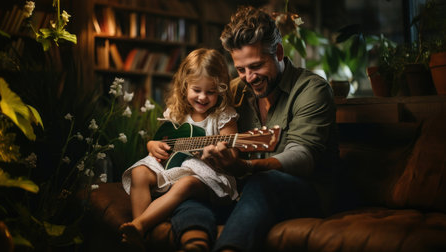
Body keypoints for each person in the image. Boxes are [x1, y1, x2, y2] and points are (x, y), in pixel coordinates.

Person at [170, 6, 339, 252]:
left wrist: (246, 167)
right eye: (240, 69)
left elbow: (303, 157)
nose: (248, 77)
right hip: (246, 196)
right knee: (187, 186)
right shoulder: (235, 90)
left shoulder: (312, 89)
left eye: (256, 66)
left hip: (304, 192)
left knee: (262, 181)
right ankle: (194, 244)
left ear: (279, 52)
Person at [119, 48, 239, 249]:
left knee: (185, 184)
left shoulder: (223, 116)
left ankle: (140, 225)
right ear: (185, 86)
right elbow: (162, 139)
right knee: (139, 173)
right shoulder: (177, 112)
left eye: (211, 92)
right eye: (196, 90)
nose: (202, 97)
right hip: (171, 169)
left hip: (206, 177)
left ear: (221, 90)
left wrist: (217, 154)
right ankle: (140, 236)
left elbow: (233, 154)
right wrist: (152, 145)